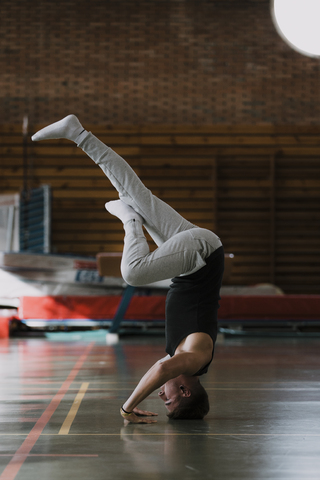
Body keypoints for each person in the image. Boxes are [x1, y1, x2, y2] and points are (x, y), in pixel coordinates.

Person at [32, 115, 225, 423]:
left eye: (162, 402)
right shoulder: (195, 359)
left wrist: (135, 401)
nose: (162, 396)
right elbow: (161, 371)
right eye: (169, 401)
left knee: (133, 191)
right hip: (201, 255)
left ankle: (77, 133)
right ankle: (129, 219)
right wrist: (127, 407)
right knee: (133, 273)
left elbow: (160, 369)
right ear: (186, 392)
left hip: (198, 254)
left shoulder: (180, 358)